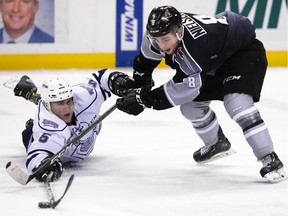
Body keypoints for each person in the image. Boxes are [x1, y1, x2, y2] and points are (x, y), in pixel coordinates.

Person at [116, 6, 286, 183]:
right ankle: (216, 144)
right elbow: (146, 62)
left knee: (237, 104)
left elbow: (184, 88)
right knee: (190, 107)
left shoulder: (194, 48)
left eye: (165, 40)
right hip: (214, 60)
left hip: (243, 53)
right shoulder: (157, 33)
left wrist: (144, 100)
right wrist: (138, 83)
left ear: (179, 32)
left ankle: (269, 157)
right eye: (157, 40)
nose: (161, 45)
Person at [12, 69, 134, 182]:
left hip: (84, 131)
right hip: (60, 149)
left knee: (89, 118)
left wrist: (117, 80)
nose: (67, 107)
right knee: (28, 135)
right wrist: (43, 165)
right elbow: (37, 153)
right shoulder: (48, 126)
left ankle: (36, 94)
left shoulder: (83, 97)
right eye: (60, 103)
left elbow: (100, 79)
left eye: (68, 101)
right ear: (49, 105)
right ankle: (33, 110)